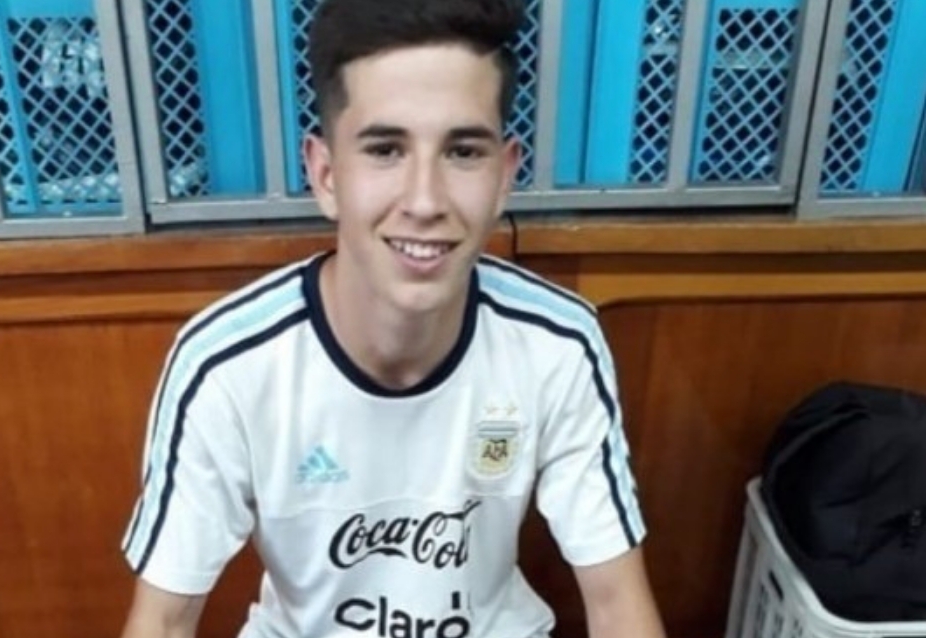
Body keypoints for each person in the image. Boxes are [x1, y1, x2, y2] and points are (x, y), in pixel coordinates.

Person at [118, 0, 667, 636]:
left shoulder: (560, 343)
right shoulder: (224, 366)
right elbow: (163, 620)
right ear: (326, 175)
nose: (425, 201)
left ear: (504, 176)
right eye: (385, 149)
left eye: (463, 152)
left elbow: (617, 604)